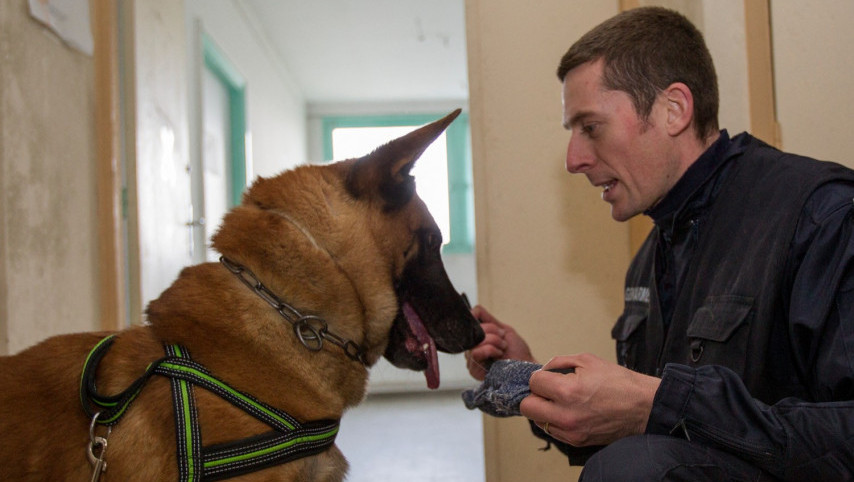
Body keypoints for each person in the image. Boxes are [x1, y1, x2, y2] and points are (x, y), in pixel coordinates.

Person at [465, 6, 854, 481]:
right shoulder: (649, 260)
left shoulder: (822, 218)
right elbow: (659, 436)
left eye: (590, 127)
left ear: (673, 110)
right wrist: (536, 382)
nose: (574, 159)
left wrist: (662, 403)